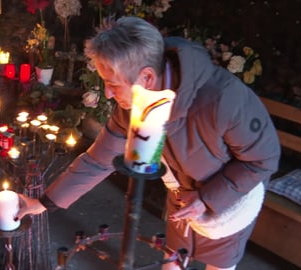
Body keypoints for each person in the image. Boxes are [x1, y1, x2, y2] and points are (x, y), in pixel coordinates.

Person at [16, 16, 281, 270]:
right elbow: (99, 160)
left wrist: (206, 198)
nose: (108, 94)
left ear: (146, 78)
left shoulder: (224, 99)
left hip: (230, 201)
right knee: (173, 258)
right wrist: (43, 203)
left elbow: (263, 159)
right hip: (181, 197)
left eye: (112, 84)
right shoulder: (133, 105)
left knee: (219, 262)